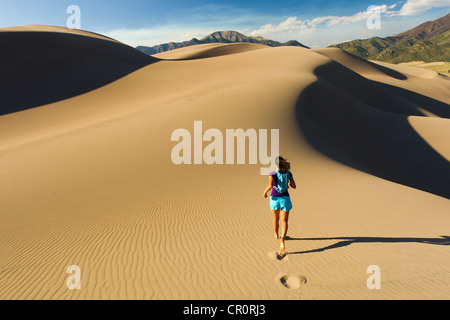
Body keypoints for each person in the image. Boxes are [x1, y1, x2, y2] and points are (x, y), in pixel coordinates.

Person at [263, 156, 296, 253]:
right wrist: (289, 184)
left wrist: (264, 192)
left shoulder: (272, 173)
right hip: (285, 198)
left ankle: (276, 235)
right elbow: (294, 186)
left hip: (274, 198)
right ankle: (283, 240)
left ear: (275, 164)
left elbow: (270, 185)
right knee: (284, 221)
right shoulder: (288, 173)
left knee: (275, 219)